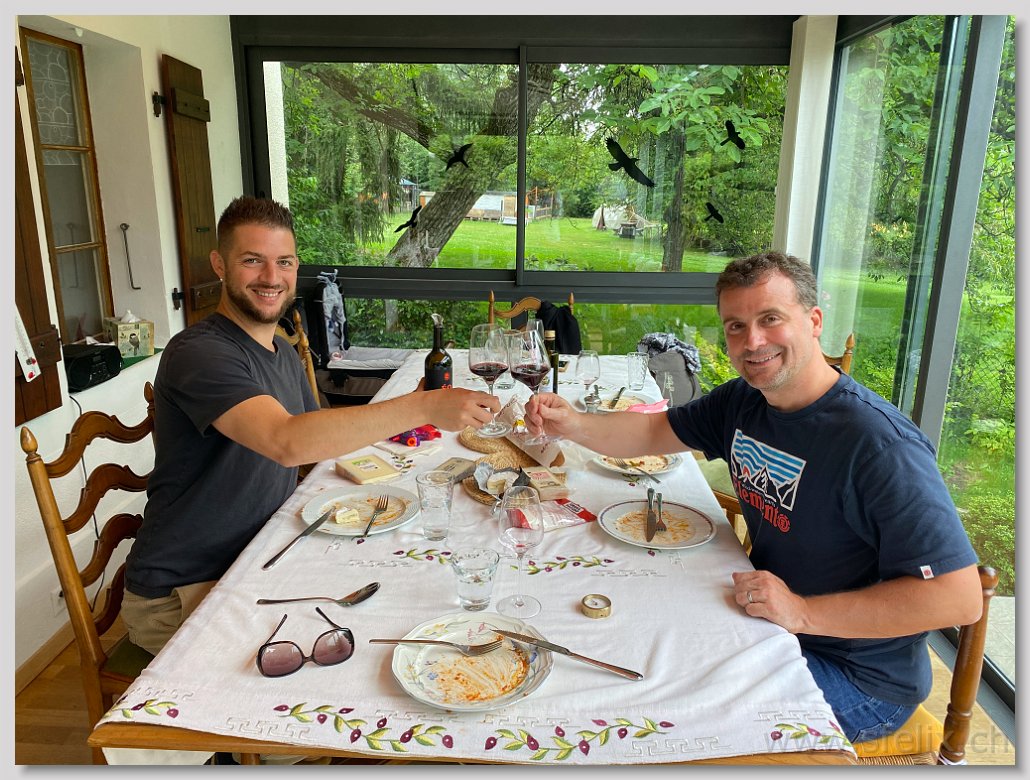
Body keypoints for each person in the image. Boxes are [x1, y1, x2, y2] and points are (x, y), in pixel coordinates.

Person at [525, 251, 981, 744]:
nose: (753, 341)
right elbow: (654, 432)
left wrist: (802, 611)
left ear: (814, 321)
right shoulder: (744, 401)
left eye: (770, 319)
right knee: (630, 642)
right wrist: (574, 424)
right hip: (768, 627)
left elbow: (958, 598)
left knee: (671, 716)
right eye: (736, 326)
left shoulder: (879, 446)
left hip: (855, 677)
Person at [123, 196, 498, 655]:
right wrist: (421, 407)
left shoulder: (280, 351)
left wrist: (409, 420)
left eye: (283, 262)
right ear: (219, 264)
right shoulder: (199, 353)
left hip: (260, 556)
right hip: (186, 589)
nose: (271, 277)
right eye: (252, 260)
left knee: (398, 611)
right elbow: (287, 442)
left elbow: (316, 435)